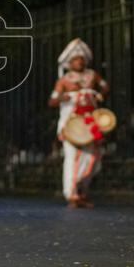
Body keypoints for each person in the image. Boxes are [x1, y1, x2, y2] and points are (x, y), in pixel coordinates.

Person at [49, 39, 108, 208]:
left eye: (81, 58)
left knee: (93, 159)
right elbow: (52, 101)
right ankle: (72, 195)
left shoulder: (93, 75)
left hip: (90, 124)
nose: (79, 61)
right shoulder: (64, 80)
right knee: (72, 158)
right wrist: (63, 97)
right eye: (75, 58)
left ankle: (81, 189)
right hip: (71, 125)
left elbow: (105, 87)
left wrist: (98, 93)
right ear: (69, 62)